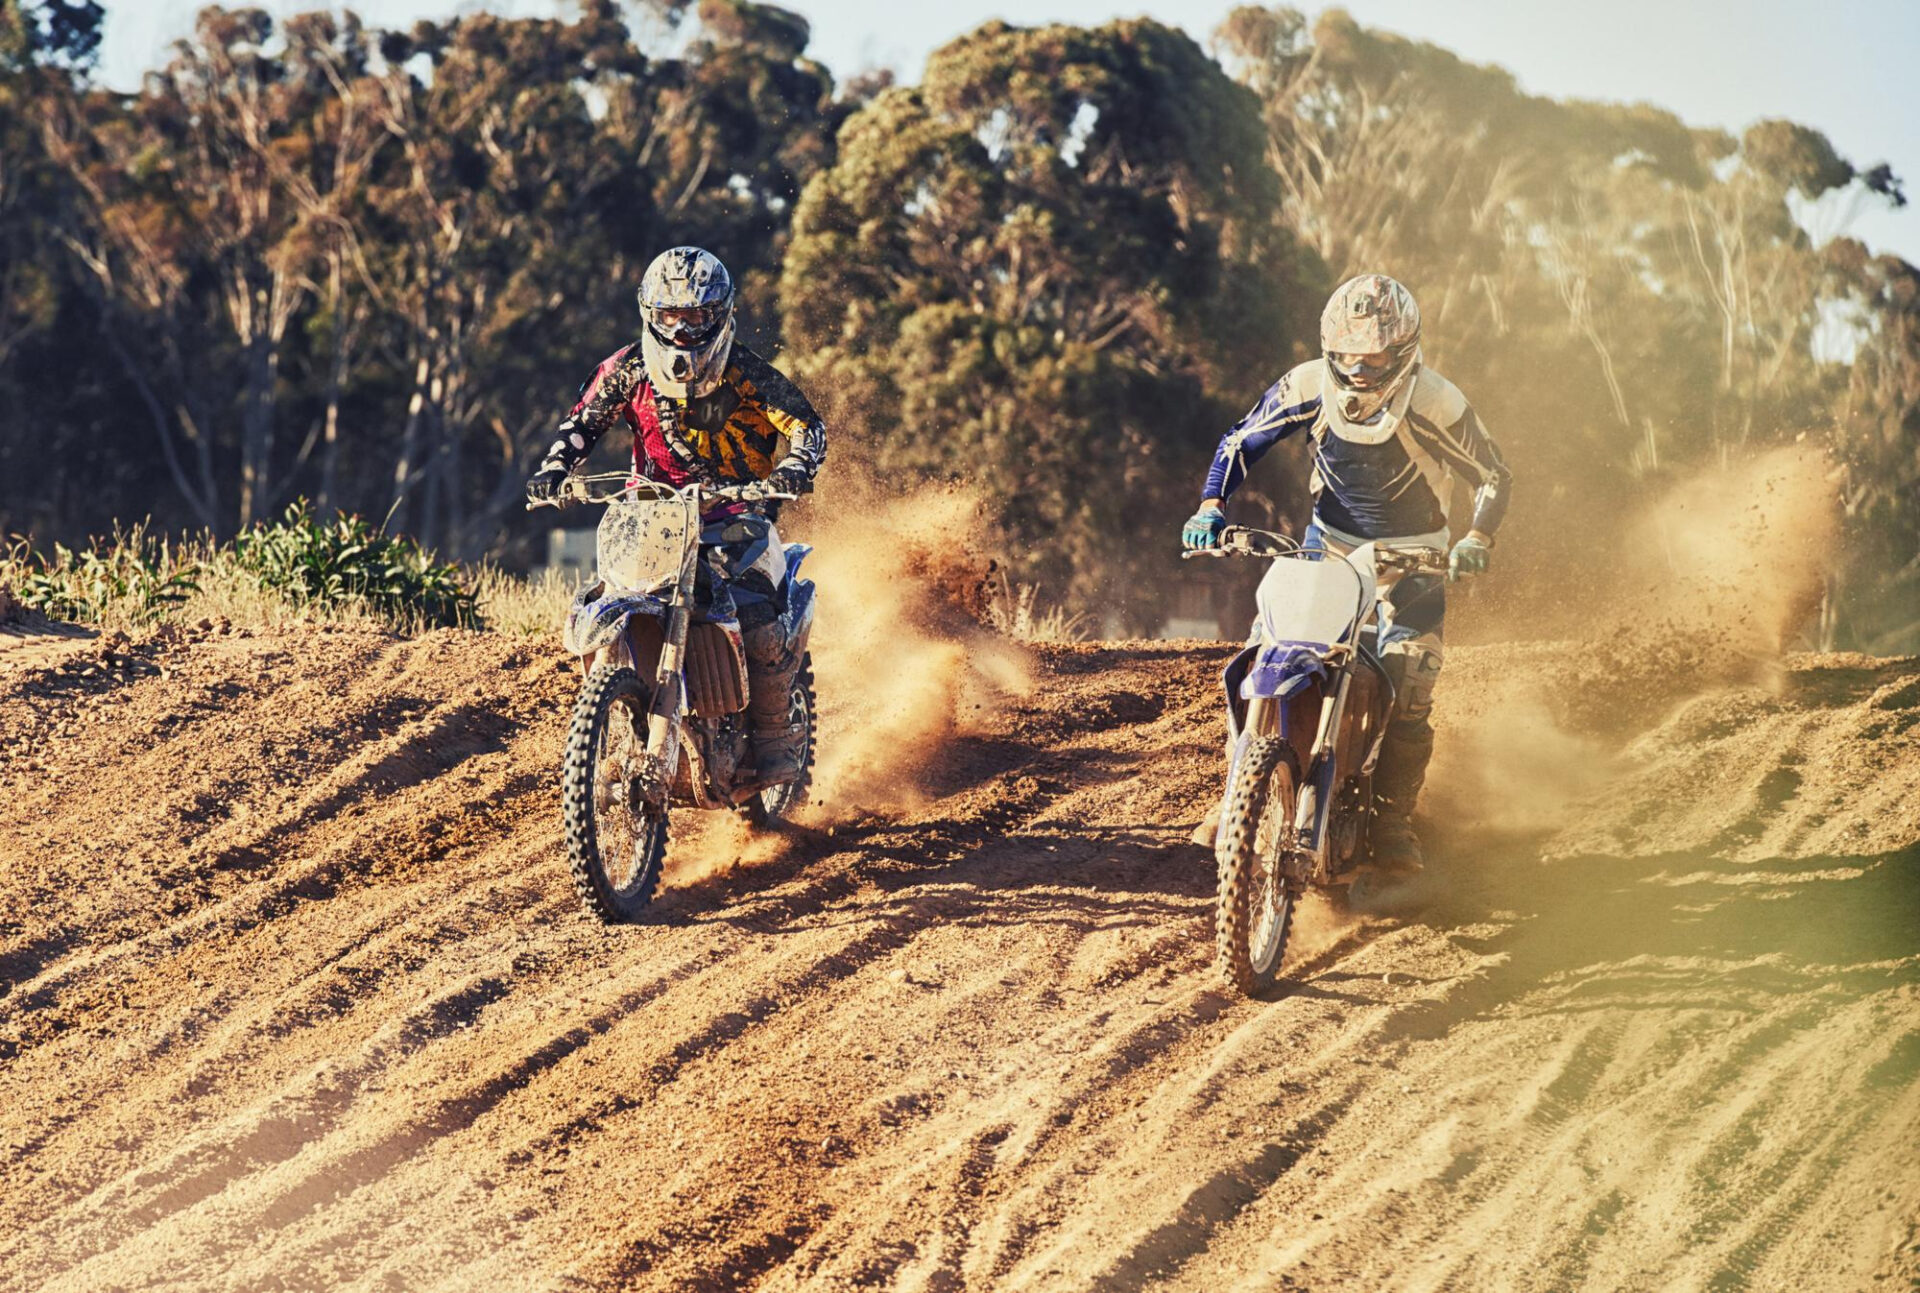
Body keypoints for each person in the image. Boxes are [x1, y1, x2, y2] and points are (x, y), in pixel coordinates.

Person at [1181, 273, 1512, 873]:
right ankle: (1235, 797)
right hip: (1327, 547)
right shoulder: (1308, 382)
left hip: (1414, 555)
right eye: (1346, 354)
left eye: (1374, 355)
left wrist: (1476, 538)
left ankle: (1392, 821)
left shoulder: (1437, 400)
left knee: (1412, 682)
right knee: (1267, 654)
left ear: (1403, 348)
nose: (1359, 368)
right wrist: (1210, 506)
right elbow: (1240, 441)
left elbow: (1492, 475)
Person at [526, 246, 827, 788]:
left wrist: (796, 467)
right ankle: (612, 715)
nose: (684, 329)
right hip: (654, 514)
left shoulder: (747, 373)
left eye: (696, 317)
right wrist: (554, 468)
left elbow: (807, 425)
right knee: (607, 594)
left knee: (758, 619)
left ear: (721, 314)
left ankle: (777, 743)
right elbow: (582, 423)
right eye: (671, 316)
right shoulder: (628, 367)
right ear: (650, 314)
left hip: (738, 515)